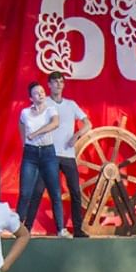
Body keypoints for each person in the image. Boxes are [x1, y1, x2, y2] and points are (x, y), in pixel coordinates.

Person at [15, 82, 66, 235]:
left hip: (47, 153)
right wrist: (26, 143)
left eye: (43, 92)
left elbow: (55, 124)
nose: (41, 95)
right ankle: (17, 228)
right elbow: (21, 127)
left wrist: (35, 134)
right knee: (25, 193)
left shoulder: (51, 110)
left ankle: (60, 229)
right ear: (31, 98)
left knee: (55, 192)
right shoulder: (25, 112)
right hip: (30, 154)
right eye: (37, 93)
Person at [46, 71, 90, 237]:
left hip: (68, 155)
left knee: (75, 192)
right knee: (46, 191)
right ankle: (55, 228)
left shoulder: (71, 104)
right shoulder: (45, 103)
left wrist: (77, 136)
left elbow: (88, 123)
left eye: (61, 82)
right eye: (55, 82)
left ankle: (77, 228)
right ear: (49, 85)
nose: (58, 84)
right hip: (49, 153)